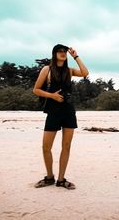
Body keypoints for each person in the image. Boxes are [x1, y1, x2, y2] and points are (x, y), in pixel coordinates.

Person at [33, 44, 89, 190]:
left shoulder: (69, 71)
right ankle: (49, 177)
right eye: (60, 51)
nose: (63, 53)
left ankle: (61, 179)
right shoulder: (47, 69)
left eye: (64, 51)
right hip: (53, 111)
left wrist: (75, 56)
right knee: (46, 147)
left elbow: (85, 73)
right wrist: (52, 96)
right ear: (54, 54)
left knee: (66, 146)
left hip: (68, 111)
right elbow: (36, 90)